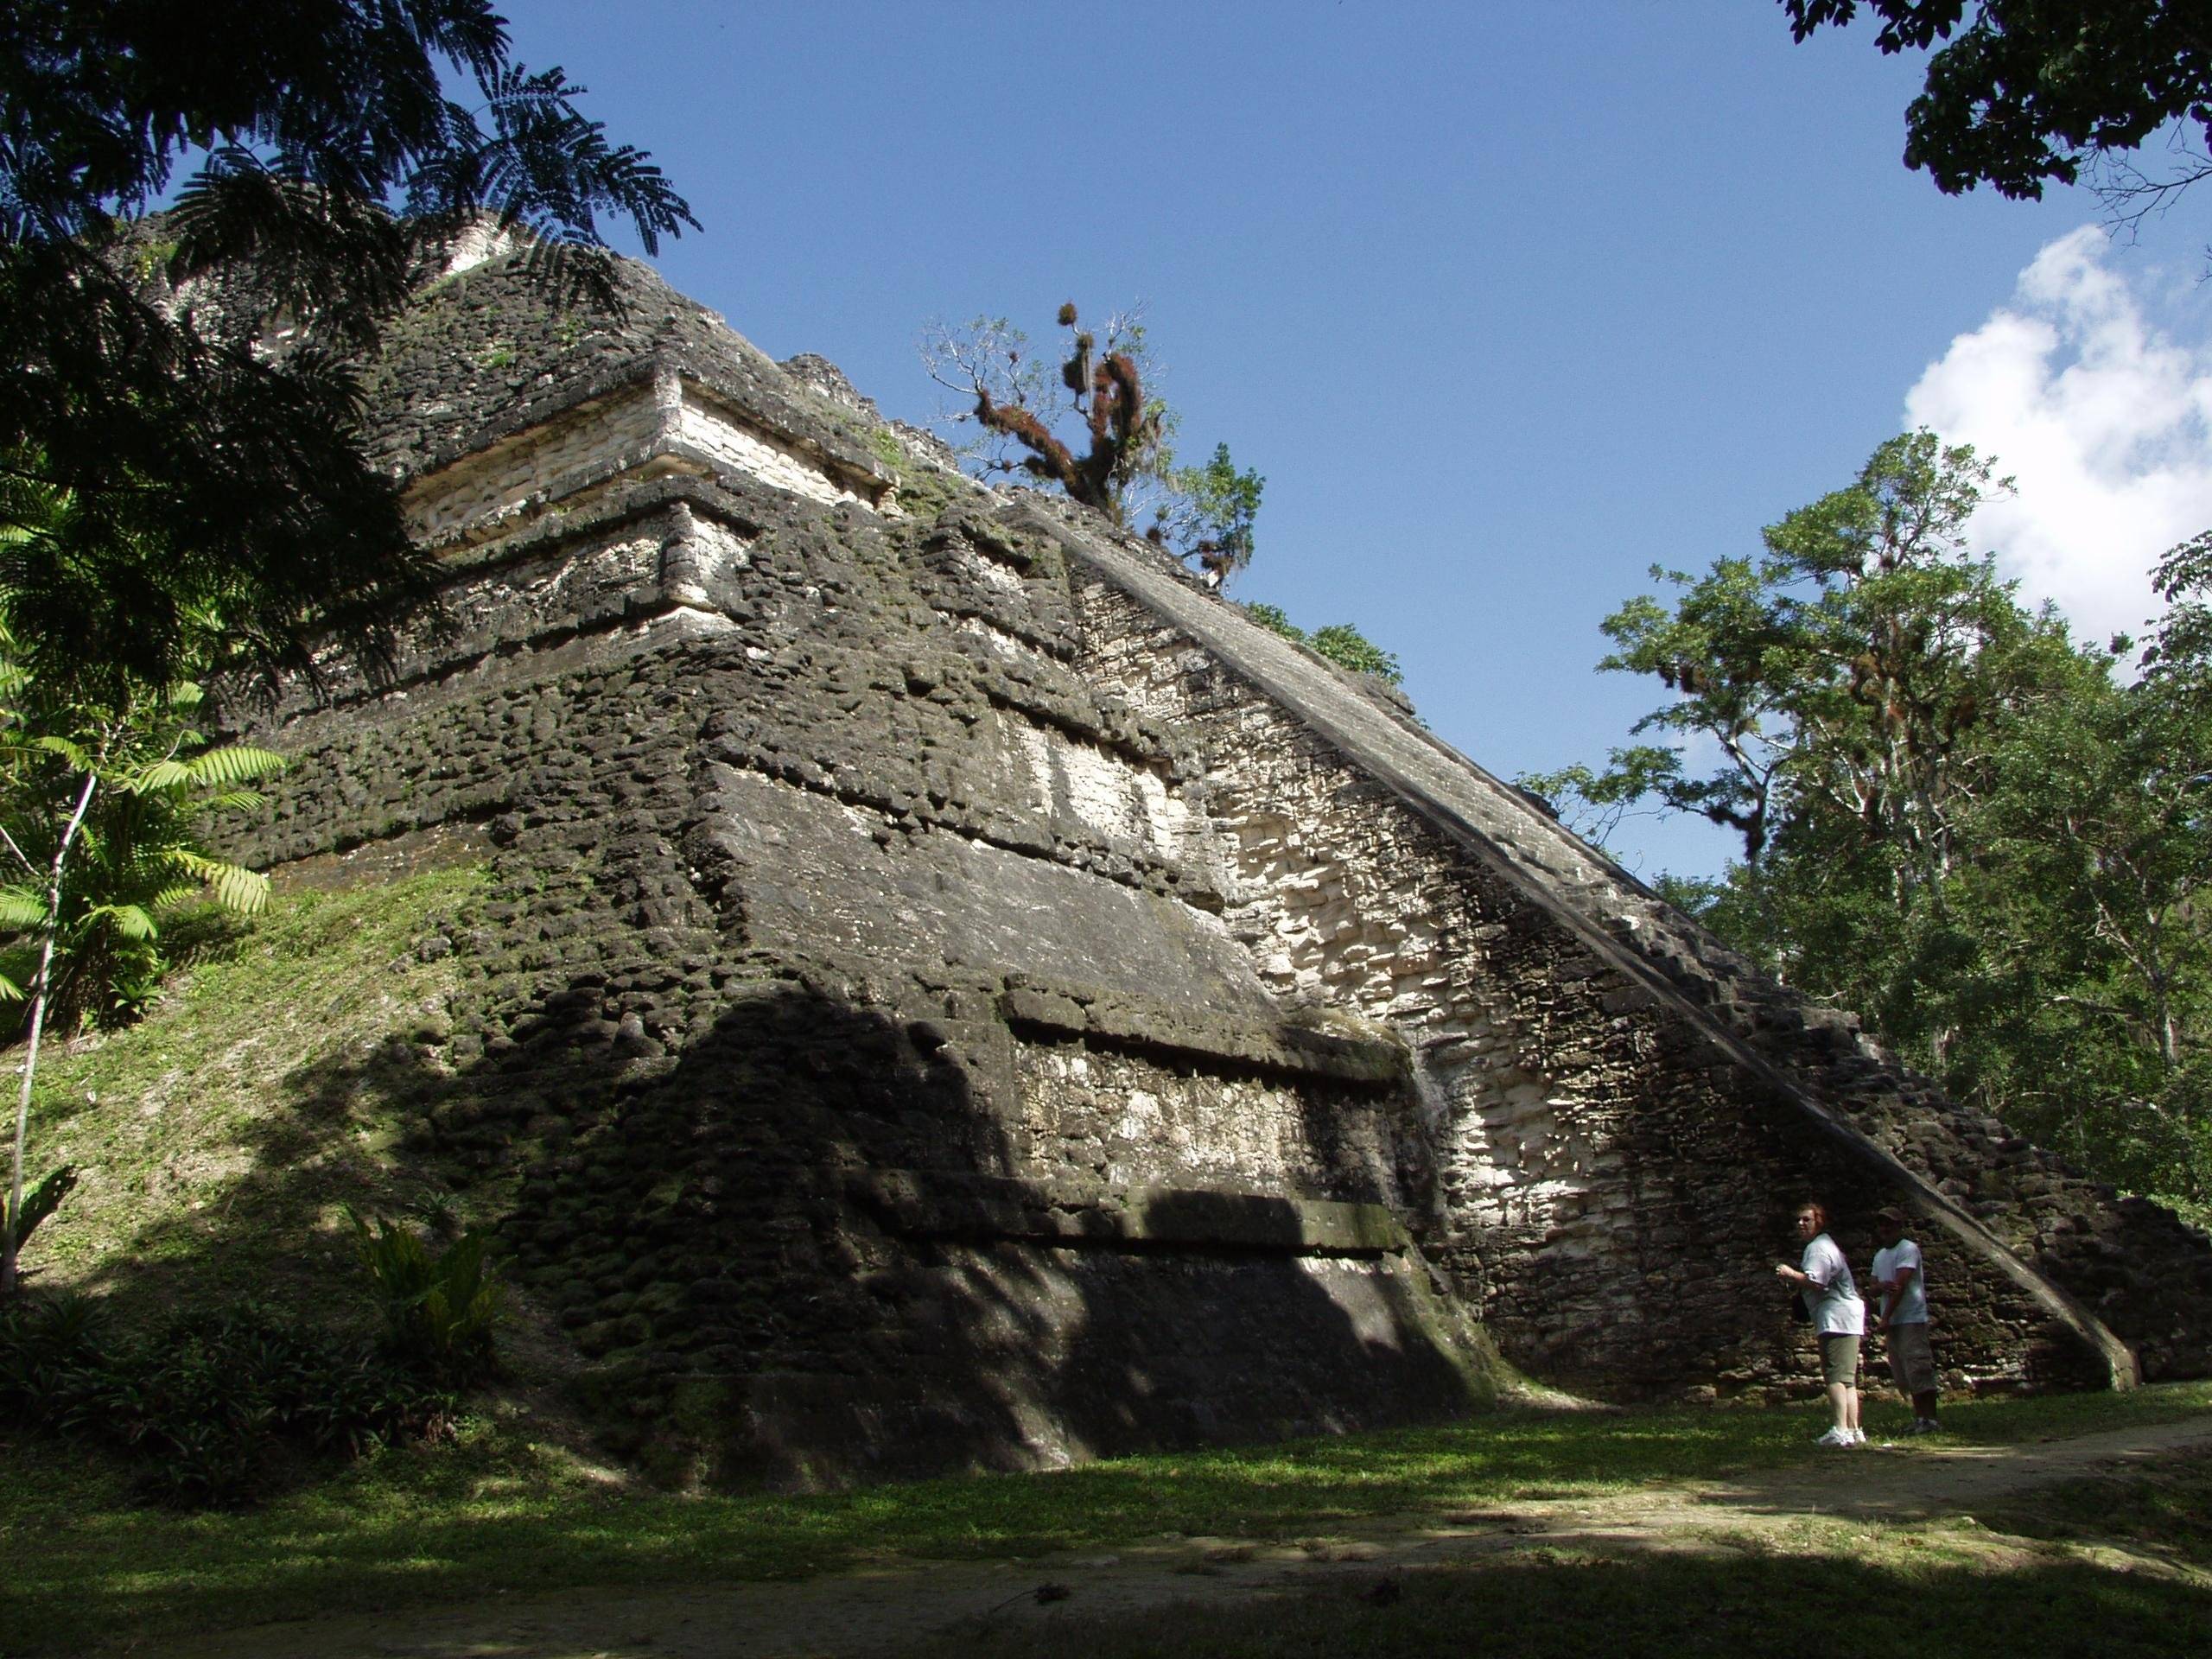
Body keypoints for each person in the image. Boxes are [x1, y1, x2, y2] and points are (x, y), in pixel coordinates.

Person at [1775, 1200, 1866, 1446]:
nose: (1801, 1224)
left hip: (1836, 1317)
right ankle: (1853, 1430)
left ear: (1819, 1222)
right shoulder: (1824, 1246)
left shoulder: (1818, 1248)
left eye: (1807, 1220)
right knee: (1846, 1378)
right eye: (1799, 1220)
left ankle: (1840, 1429)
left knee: (1835, 1376)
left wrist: (1789, 1274)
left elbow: (1817, 1282)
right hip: (1843, 1317)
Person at [1870, 1205, 1941, 1434]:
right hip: (1894, 1323)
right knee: (1902, 1373)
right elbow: (1873, 1287)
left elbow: (1899, 1286)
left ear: (1900, 1226)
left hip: (1910, 1318)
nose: (1885, 1228)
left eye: (1889, 1224)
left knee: (1918, 1367)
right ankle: (1920, 1418)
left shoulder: (1908, 1249)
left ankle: (1930, 1419)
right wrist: (1880, 1286)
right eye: (1882, 1224)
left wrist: (1885, 1317)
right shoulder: (1880, 1255)